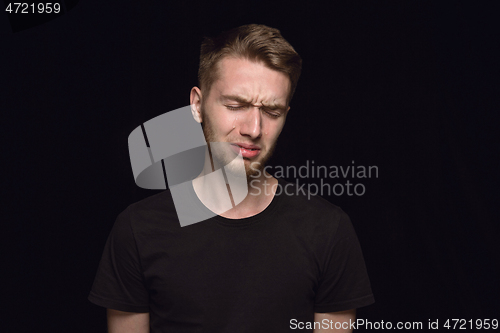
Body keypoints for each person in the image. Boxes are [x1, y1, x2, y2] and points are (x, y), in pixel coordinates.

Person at [89, 24, 374, 332]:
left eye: (272, 112)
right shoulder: (137, 229)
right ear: (197, 105)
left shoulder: (328, 230)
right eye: (236, 105)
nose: (253, 128)